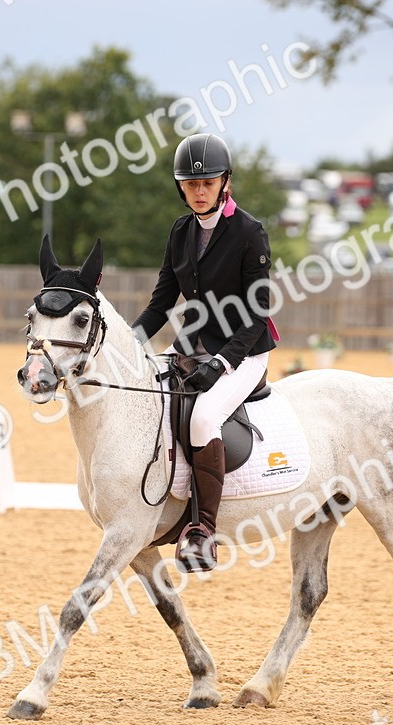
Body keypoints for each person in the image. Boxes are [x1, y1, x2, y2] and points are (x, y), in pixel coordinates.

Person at [132, 133, 277, 572]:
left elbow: (257, 314)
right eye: (190, 185)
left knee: (201, 417)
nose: (199, 191)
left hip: (244, 351)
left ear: (224, 182)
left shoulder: (250, 233)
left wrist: (223, 362)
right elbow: (161, 304)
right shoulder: (180, 232)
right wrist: (129, 346)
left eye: (207, 183)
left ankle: (202, 531)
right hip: (191, 346)